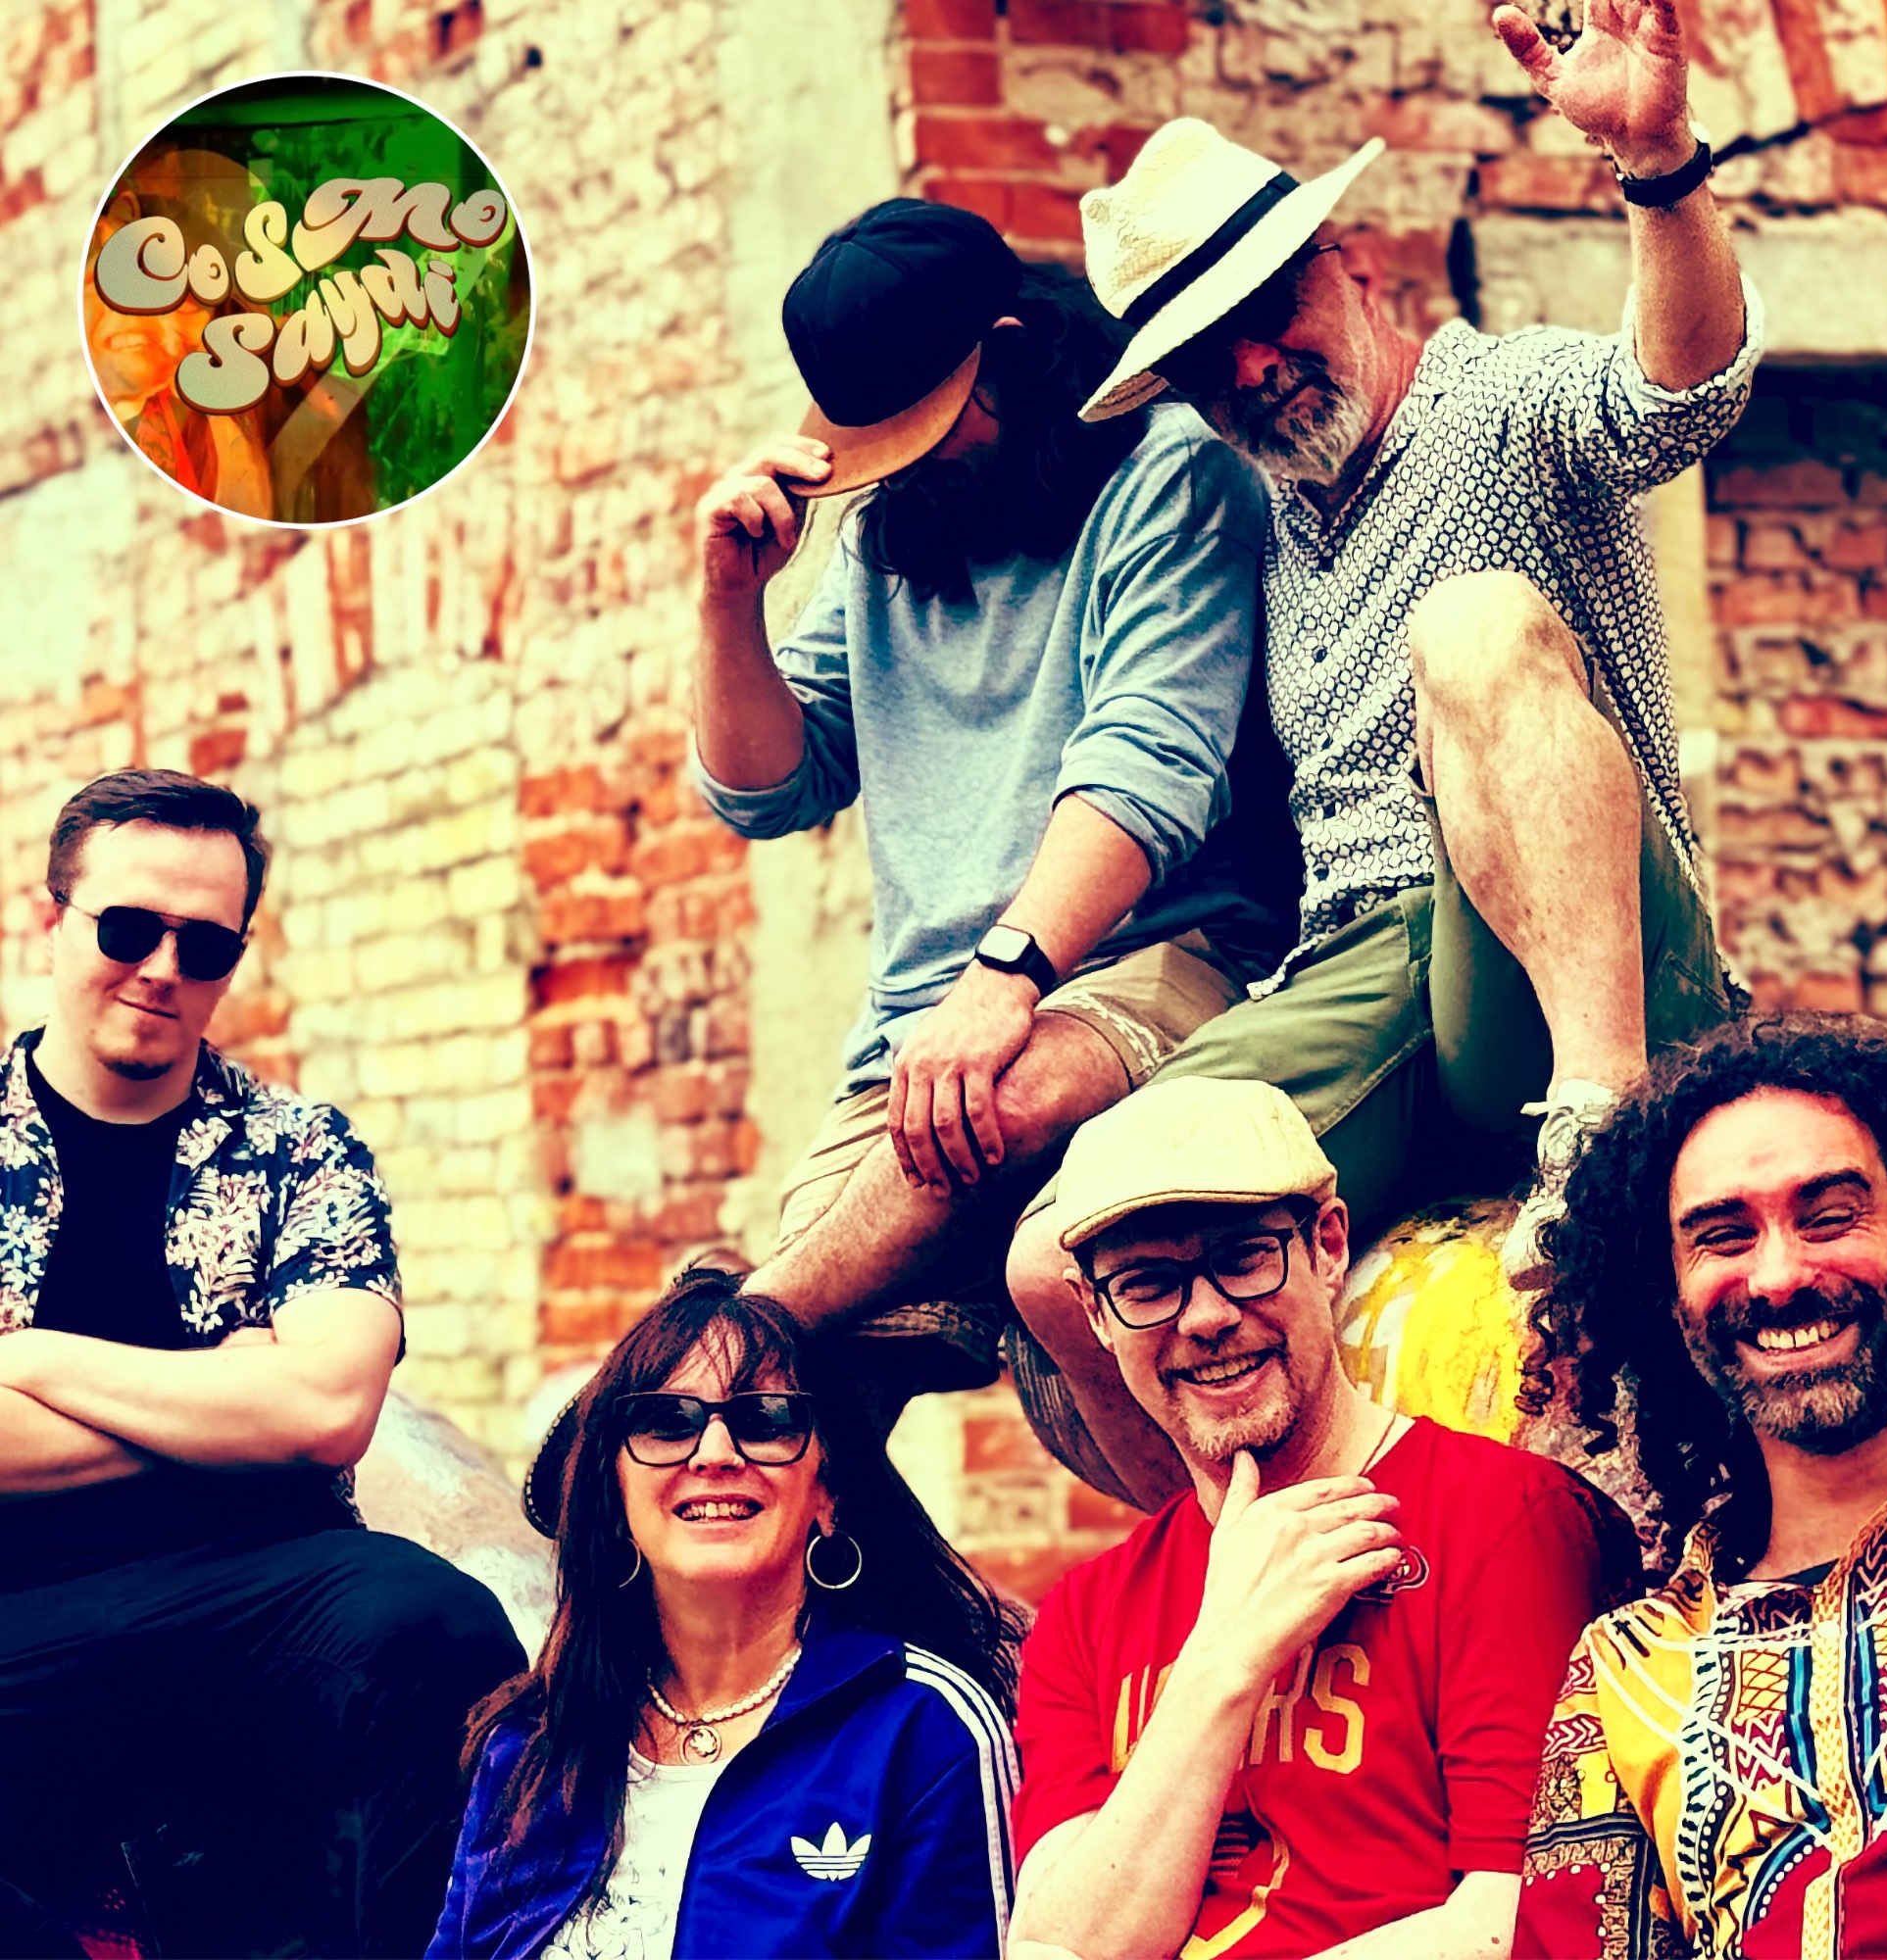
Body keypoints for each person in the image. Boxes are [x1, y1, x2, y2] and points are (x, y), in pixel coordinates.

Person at [1008, 0, 1763, 1506]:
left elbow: (1679, 392)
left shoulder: (1497, 401)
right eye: (1207, 365)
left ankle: (1606, 1145)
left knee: (1473, 623)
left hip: (1579, 948)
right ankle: (1231, 1583)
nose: (1255, 370)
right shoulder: (1275, 535)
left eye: (1268, 317)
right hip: (1365, 983)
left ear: (1349, 264)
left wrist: (1661, 162)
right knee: (1054, 1258)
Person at [690, 195, 1290, 1425]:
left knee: (993, 1112)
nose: (902, 467)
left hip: (1145, 956)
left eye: (923, 426)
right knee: (799, 1419)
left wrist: (1003, 975)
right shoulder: (884, 536)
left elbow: (1149, 756)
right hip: (925, 1029)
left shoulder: (1163, 467)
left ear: (1009, 350)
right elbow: (765, 788)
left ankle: (722, 1336)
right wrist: (727, 598)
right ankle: (954, 1608)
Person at [0, 768, 524, 1959]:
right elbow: (281, 1416)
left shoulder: (301, 1148)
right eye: (129, 928)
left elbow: (329, 1408)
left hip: (265, 1594)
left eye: (206, 943)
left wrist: (31, 1357)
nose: (163, 968)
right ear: (51, 922)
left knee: (436, 1624)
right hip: (21, 1612)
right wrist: (227, 1404)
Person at [1009, 1074, 1635, 1959]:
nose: (1208, 1317)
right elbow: (1059, 1945)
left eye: (1243, 1257)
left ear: (1328, 1245)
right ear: (1094, 1314)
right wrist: (1224, 1658)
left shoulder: (1508, 1524)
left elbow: (1522, 1921)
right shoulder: (1088, 1611)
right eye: (1147, 1285)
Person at [1514, 1013, 1887, 1958]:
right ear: (1668, 1302)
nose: (1779, 1276)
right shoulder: (1628, 1674)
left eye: (1830, 1216)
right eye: (1722, 1237)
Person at [431, 1271, 1021, 1959]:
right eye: (666, 1422)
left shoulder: (927, 1730)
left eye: (765, 1420)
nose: (714, 1454)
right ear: (616, 1496)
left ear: (827, 1493)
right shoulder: (528, 1744)